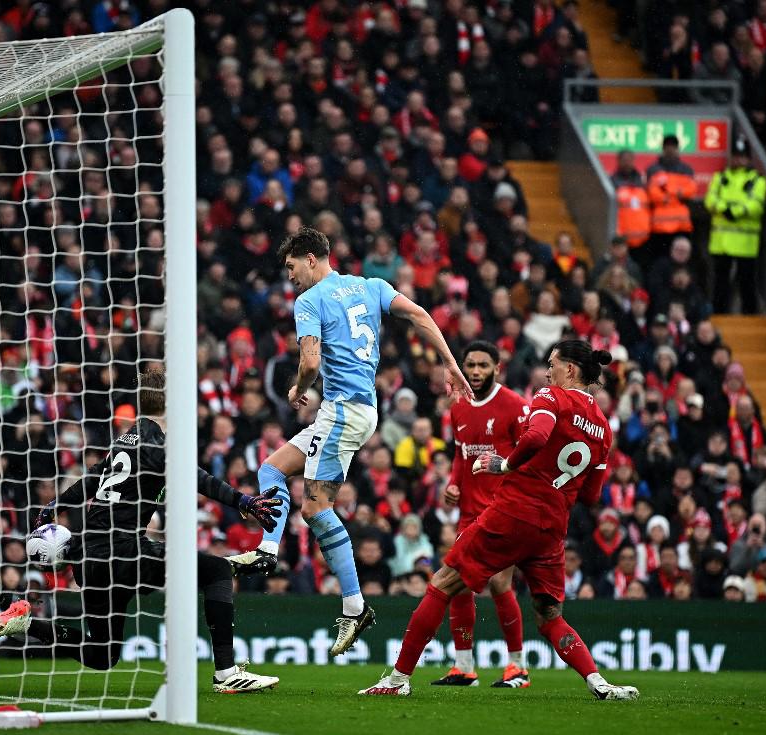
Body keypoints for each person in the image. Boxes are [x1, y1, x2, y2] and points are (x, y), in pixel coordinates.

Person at [228, 226, 473, 657]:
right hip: (360, 409)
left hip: (342, 411)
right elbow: (419, 315)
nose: (290, 278)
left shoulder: (309, 300)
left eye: (291, 267)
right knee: (272, 468)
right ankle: (270, 550)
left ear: (310, 258)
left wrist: (297, 387)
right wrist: (450, 363)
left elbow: (309, 360)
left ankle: (351, 604)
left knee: (315, 507)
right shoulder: (370, 286)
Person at [360, 340, 638, 700]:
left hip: (513, 512)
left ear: (570, 369)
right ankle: (599, 683)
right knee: (550, 615)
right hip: (552, 529)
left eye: (552, 363)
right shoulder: (603, 426)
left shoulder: (550, 397)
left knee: (442, 583)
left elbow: (537, 435)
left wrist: (504, 464)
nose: (547, 370)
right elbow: (591, 496)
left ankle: (396, 681)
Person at [0, 368, 282, 694]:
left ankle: (25, 623)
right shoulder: (156, 443)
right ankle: (226, 671)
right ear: (172, 403)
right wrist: (244, 500)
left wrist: (55, 505)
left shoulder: (123, 441)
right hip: (123, 551)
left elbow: (93, 478)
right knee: (215, 570)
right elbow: (198, 477)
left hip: (90, 560)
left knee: (101, 654)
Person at [430, 340, 531, 689]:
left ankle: (518, 666)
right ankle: (464, 667)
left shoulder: (516, 407)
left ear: (497, 368)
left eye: (482, 366)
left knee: (501, 582)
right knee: (459, 587)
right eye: (470, 365)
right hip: (468, 512)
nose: (474, 372)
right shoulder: (458, 406)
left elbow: (529, 458)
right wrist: (454, 484)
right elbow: (461, 455)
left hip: (502, 511)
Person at [704, 137, 766, 314]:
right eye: (736, 156)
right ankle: (719, 315)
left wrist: (735, 212)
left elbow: (756, 205)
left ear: (749, 159)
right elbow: (710, 200)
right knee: (720, 283)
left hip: (746, 244)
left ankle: (749, 318)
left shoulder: (756, 180)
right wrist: (726, 210)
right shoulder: (720, 177)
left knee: (746, 282)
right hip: (721, 242)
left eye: (742, 157)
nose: (739, 160)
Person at [646, 134, 697, 261]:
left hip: (681, 226)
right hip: (660, 226)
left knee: (681, 259)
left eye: (673, 147)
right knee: (660, 259)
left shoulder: (686, 169)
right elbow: (653, 194)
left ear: (677, 149)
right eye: (667, 147)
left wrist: (668, 191)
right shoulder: (653, 169)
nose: (670, 150)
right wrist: (677, 192)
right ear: (663, 148)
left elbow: (690, 190)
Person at [611, 150, 652, 272]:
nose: (627, 163)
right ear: (618, 161)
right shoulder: (611, 182)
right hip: (622, 240)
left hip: (643, 240)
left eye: (630, 160)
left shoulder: (642, 182)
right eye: (624, 160)